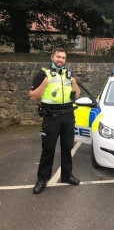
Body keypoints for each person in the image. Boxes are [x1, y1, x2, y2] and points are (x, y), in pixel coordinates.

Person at [29, 47, 81, 194]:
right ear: (52, 57)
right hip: (51, 117)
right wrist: (45, 83)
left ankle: (67, 175)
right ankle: (42, 179)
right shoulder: (43, 74)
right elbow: (33, 96)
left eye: (63, 58)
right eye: (58, 57)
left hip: (68, 116)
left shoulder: (68, 74)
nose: (60, 60)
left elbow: (76, 95)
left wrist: (74, 82)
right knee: (48, 149)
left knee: (67, 147)